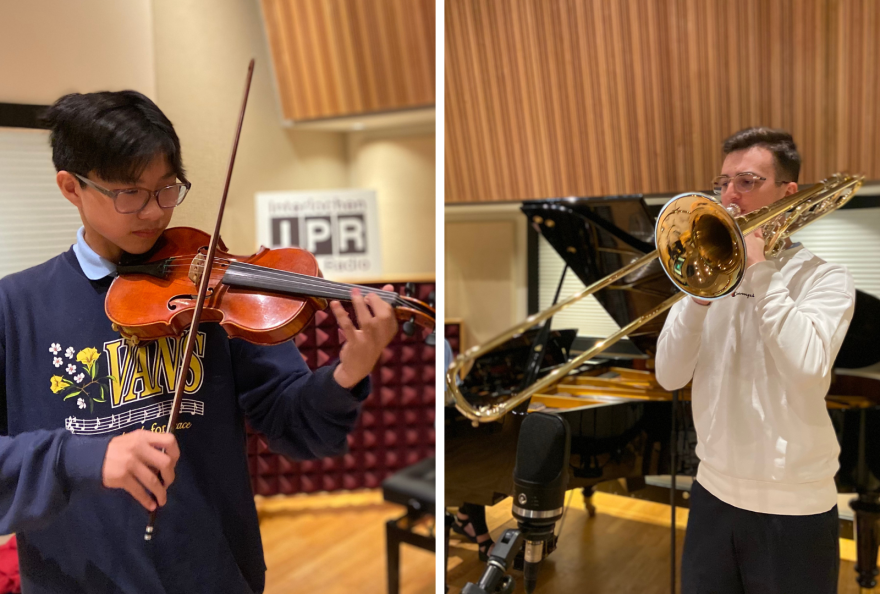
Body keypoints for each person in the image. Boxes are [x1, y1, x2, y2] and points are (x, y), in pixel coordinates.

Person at [0, 90, 398, 593]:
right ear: (70, 187)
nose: (153, 212)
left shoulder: (211, 286)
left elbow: (296, 428)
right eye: (130, 193)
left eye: (167, 189)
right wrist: (85, 457)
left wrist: (348, 372)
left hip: (213, 577)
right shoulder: (13, 308)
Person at [656, 127, 854, 594]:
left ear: (788, 193)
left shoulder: (826, 278)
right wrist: (698, 295)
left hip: (794, 508)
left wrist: (760, 268)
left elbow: (806, 371)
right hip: (711, 495)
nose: (728, 197)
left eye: (746, 181)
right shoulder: (704, 277)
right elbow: (669, 375)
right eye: (722, 183)